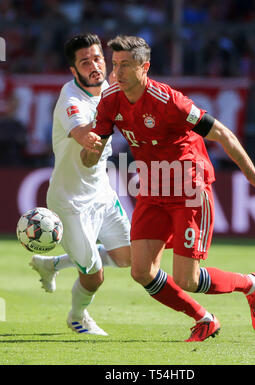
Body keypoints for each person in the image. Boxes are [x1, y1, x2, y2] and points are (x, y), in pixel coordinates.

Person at [82, 35, 255, 342]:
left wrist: (254, 178)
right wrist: (90, 149)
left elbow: (223, 134)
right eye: (115, 64)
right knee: (141, 272)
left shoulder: (170, 102)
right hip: (152, 190)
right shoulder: (110, 100)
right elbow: (89, 157)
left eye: (125, 65)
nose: (117, 72)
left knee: (187, 279)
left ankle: (252, 284)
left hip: (189, 189)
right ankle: (204, 319)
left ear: (144, 67)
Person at [30, 33, 131, 335]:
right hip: (70, 202)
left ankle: (53, 264)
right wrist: (102, 130)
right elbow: (86, 142)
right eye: (85, 62)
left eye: (98, 58)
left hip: (101, 192)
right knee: (94, 277)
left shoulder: (112, 90)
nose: (94, 66)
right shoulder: (71, 99)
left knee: (127, 257)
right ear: (74, 71)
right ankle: (77, 316)